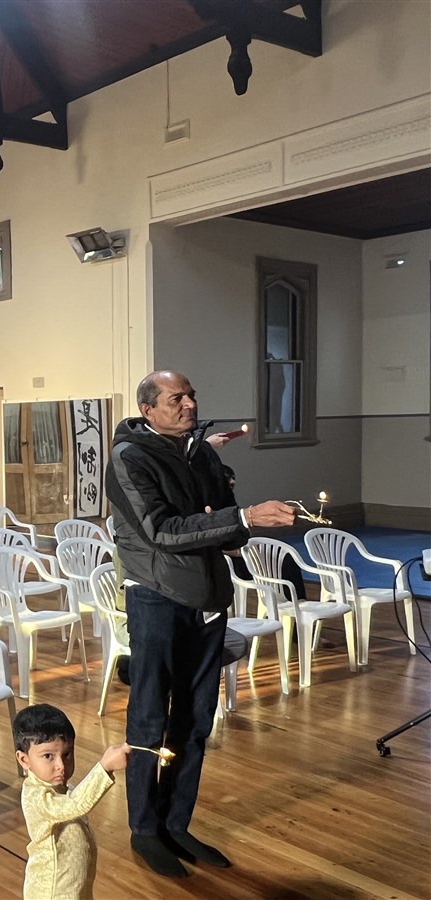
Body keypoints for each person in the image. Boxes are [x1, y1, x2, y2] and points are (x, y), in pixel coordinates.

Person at [106, 369, 296, 877]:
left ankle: (176, 823)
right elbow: (161, 531)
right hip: (157, 597)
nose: (189, 404)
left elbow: (227, 528)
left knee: (195, 719)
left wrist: (232, 523)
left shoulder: (202, 452)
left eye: (191, 395)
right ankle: (145, 829)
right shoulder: (128, 457)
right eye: (177, 398)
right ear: (148, 409)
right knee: (150, 718)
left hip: (207, 597)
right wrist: (238, 519)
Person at [13, 704, 131, 900]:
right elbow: (75, 804)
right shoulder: (36, 796)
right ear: (24, 760)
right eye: (48, 756)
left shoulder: (62, 788)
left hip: (75, 884)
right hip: (53, 890)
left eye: (67, 754)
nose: (61, 765)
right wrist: (105, 768)